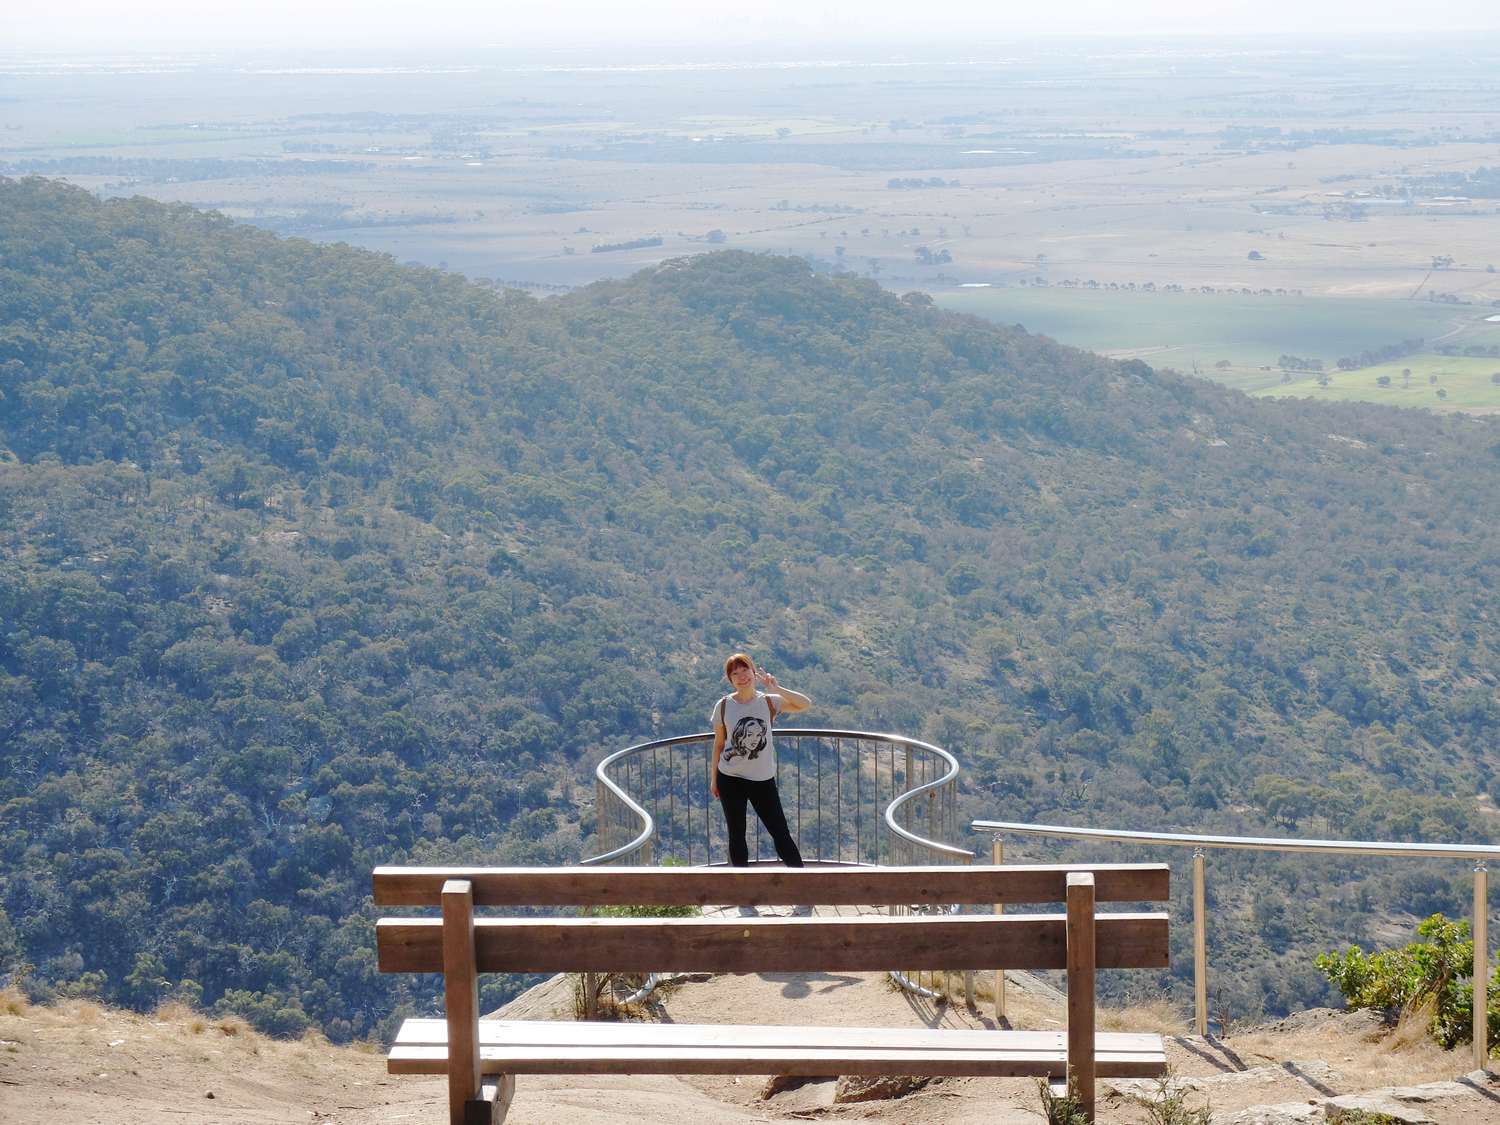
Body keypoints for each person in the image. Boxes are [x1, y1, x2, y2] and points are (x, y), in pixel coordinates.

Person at [710, 652, 812, 915]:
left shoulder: (769, 702)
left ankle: (804, 892)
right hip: (730, 777)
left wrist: (777, 688)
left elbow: (805, 704)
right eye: (735, 673)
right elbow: (719, 744)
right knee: (737, 835)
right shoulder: (723, 706)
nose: (741, 677)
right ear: (730, 679)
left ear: (754, 673)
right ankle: (744, 897)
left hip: (762, 779)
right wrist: (714, 779)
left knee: (780, 833)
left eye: (745, 671)